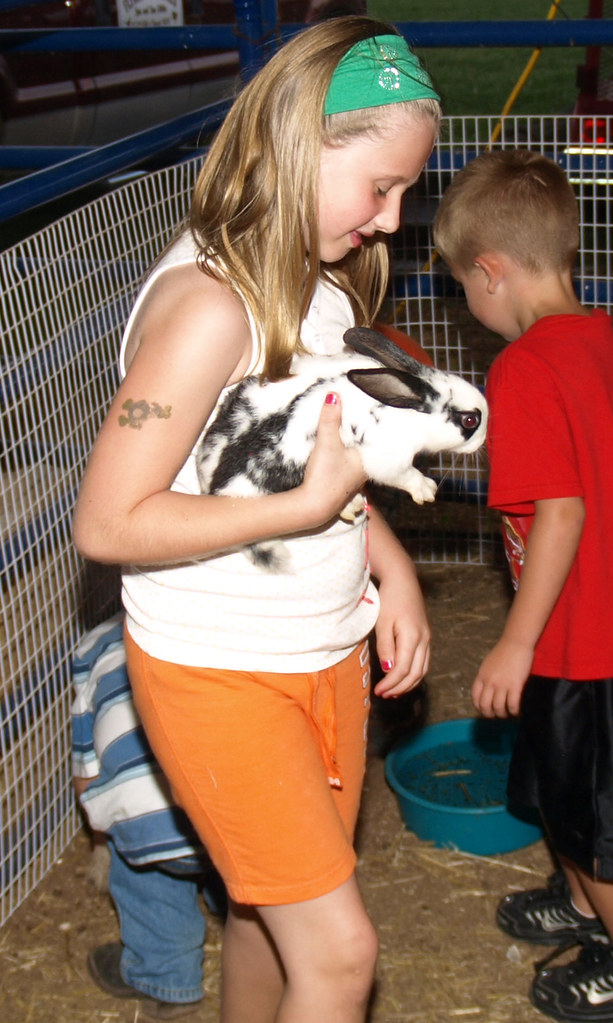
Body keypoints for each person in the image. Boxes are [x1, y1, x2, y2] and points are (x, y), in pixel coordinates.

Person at [73, 17, 440, 1023]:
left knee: (266, 914)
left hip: (320, 649)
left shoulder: (318, 289)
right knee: (341, 954)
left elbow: (311, 463)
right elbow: (109, 522)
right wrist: (305, 508)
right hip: (218, 670)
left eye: (405, 192)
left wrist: (389, 564)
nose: (391, 221)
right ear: (300, 145)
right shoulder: (211, 310)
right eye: (380, 187)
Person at [433, 150, 613, 1023]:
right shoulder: (611, 349)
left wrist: (514, 639)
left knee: (596, 822)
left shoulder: (525, 369)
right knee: (561, 788)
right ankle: (583, 907)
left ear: (490, 271)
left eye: (460, 286)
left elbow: (562, 512)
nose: (465, 304)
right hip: (611, 629)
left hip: (595, 645)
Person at [72, 612, 226, 1020]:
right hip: (222, 803)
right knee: (224, 852)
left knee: (143, 862)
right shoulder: (202, 622)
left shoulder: (90, 648)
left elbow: (86, 771)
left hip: (149, 819)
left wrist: (101, 836)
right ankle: (242, 923)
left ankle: (167, 979)